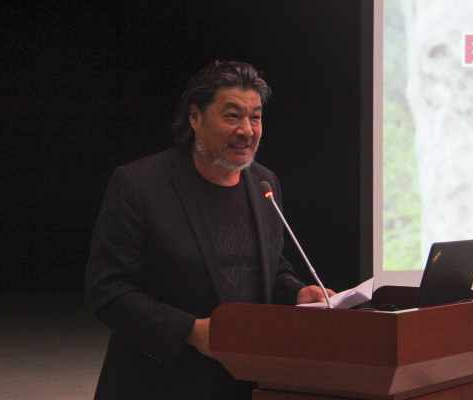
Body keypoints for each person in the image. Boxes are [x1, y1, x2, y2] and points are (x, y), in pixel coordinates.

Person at [85, 61, 335, 399]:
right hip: (162, 382)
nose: (247, 130)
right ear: (195, 117)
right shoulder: (140, 185)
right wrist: (190, 331)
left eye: (255, 117)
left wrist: (296, 293)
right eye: (232, 116)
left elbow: (270, 267)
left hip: (247, 379)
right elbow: (108, 290)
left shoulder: (264, 183)